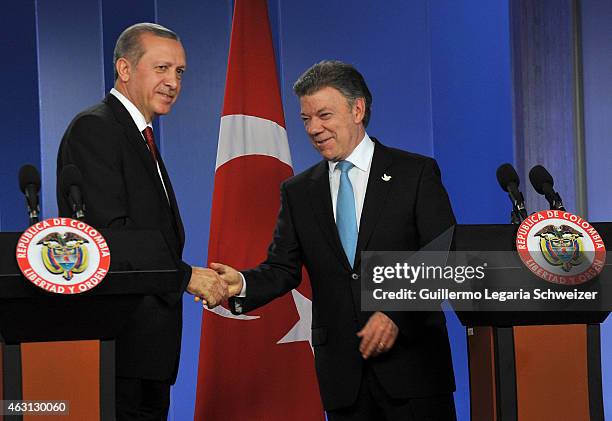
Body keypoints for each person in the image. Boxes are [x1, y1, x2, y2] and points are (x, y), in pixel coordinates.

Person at [214, 60, 457, 420]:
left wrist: (395, 312)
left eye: (324, 115)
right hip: (344, 378)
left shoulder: (414, 173)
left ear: (358, 109)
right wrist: (243, 284)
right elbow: (283, 268)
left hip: (414, 370)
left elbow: (443, 252)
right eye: (306, 119)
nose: (314, 129)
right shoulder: (298, 192)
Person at [56, 23, 226, 420]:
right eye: (162, 68)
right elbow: (109, 238)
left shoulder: (139, 134)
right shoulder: (96, 128)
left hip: (150, 351)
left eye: (179, 72)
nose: (172, 82)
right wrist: (185, 277)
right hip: (120, 345)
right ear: (125, 69)